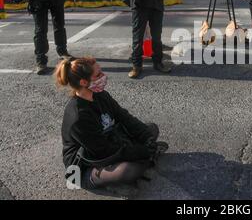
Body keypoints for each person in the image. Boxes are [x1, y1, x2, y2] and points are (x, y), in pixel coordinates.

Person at [56, 57, 168, 189]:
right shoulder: (78, 116)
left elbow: (124, 117)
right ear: (84, 82)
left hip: (110, 141)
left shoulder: (100, 95)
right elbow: (103, 151)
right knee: (128, 170)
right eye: (98, 75)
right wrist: (140, 151)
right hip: (86, 165)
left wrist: (146, 137)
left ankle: (145, 159)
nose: (104, 76)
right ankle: (143, 162)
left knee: (151, 129)